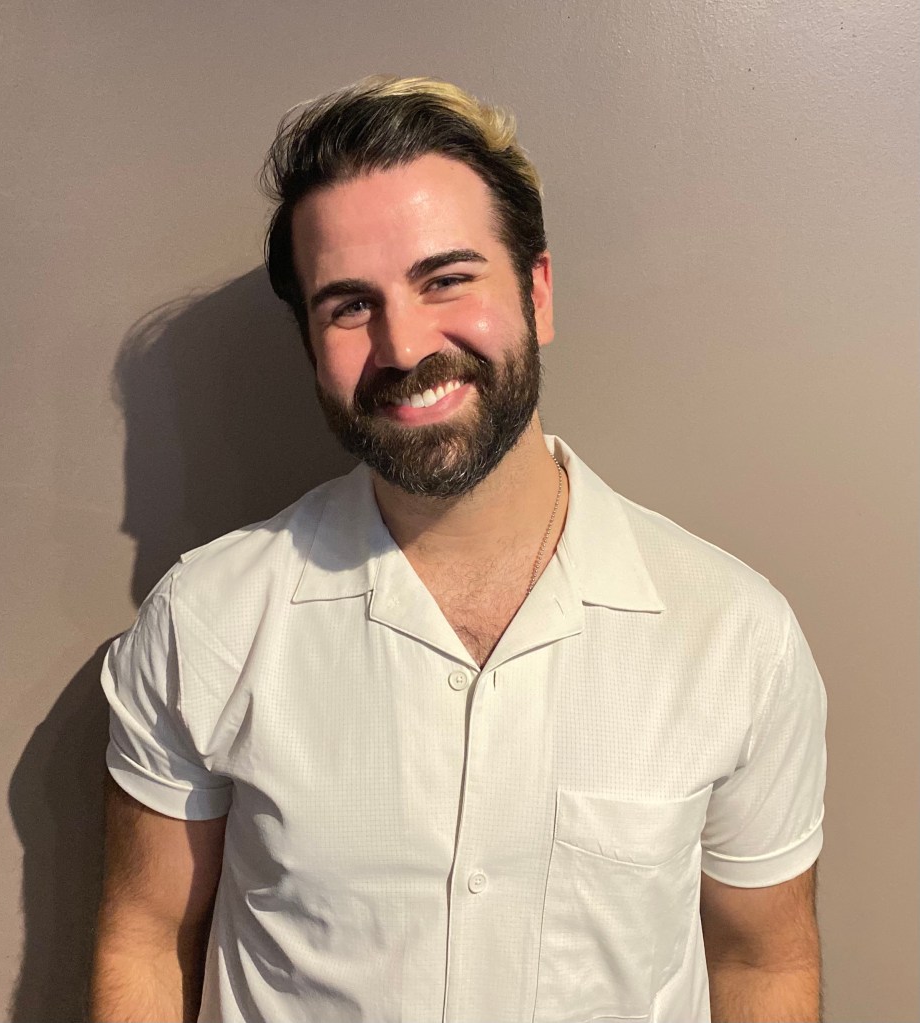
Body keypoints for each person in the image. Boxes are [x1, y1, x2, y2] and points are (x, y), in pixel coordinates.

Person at [90, 75, 827, 1023]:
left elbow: (762, 962)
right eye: (348, 305)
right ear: (309, 342)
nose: (403, 345)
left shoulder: (735, 635)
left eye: (446, 279)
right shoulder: (207, 620)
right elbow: (145, 939)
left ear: (537, 291)